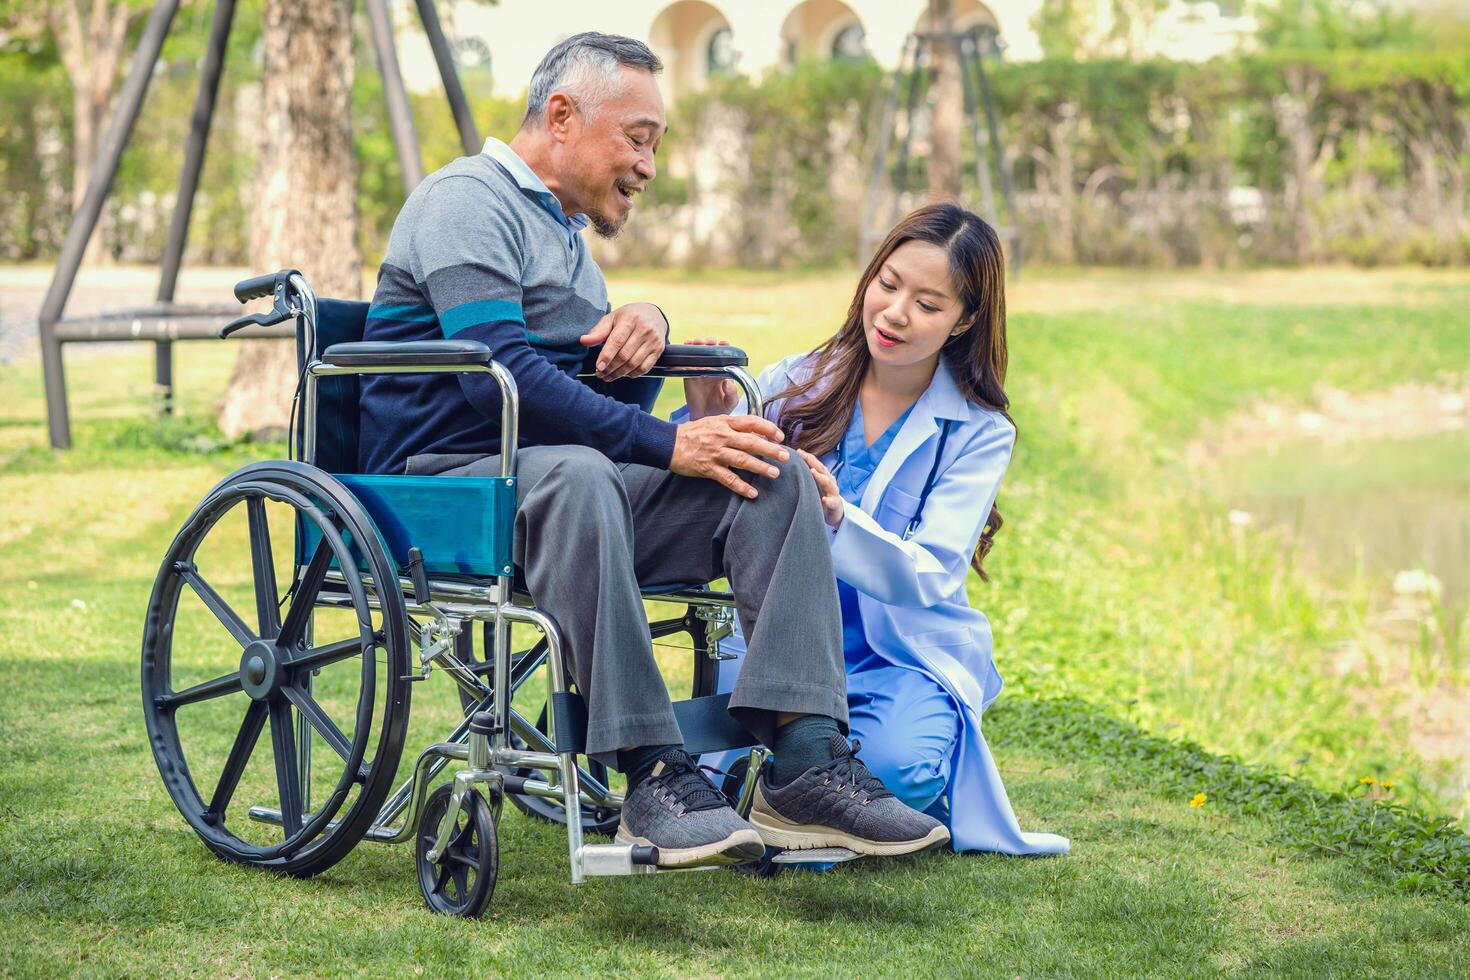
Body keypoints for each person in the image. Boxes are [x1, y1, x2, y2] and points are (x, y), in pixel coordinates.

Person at [356, 33, 948, 868]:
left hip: (552, 484)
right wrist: (669, 441)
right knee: (585, 473)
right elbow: (499, 383)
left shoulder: (563, 234)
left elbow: (584, 406)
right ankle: (652, 770)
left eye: (655, 145)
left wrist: (646, 335)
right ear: (562, 116)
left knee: (765, 470)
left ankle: (805, 760)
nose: (649, 165)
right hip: (444, 487)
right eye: (638, 138)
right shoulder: (465, 200)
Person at [684, 204, 1070, 856]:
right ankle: (802, 776)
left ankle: (811, 776)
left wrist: (838, 515)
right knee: (711, 755)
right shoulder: (794, 383)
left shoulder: (978, 433)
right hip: (784, 643)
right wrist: (705, 415)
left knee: (898, 772)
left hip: (899, 655)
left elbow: (932, 572)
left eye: (927, 303)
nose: (894, 313)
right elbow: (708, 495)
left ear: (964, 320)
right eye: (887, 285)